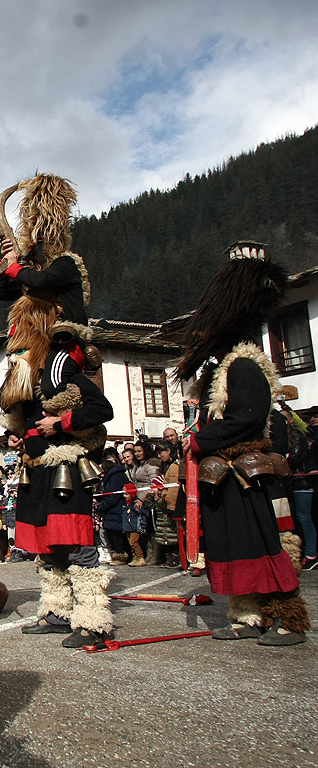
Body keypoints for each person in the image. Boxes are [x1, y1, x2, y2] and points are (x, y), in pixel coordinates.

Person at [0, 173, 116, 649]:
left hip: (70, 455)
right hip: (41, 457)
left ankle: (93, 619)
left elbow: (100, 409)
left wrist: (60, 421)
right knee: (48, 538)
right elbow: (7, 291)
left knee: (77, 539)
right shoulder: (34, 364)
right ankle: (55, 610)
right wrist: (22, 431)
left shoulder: (66, 270)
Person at [176, 240, 309, 645]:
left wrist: (199, 441)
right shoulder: (222, 371)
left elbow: (247, 418)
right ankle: (247, 613)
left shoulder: (245, 365)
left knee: (261, 544)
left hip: (244, 476)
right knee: (231, 547)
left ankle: (288, 619)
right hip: (223, 478)